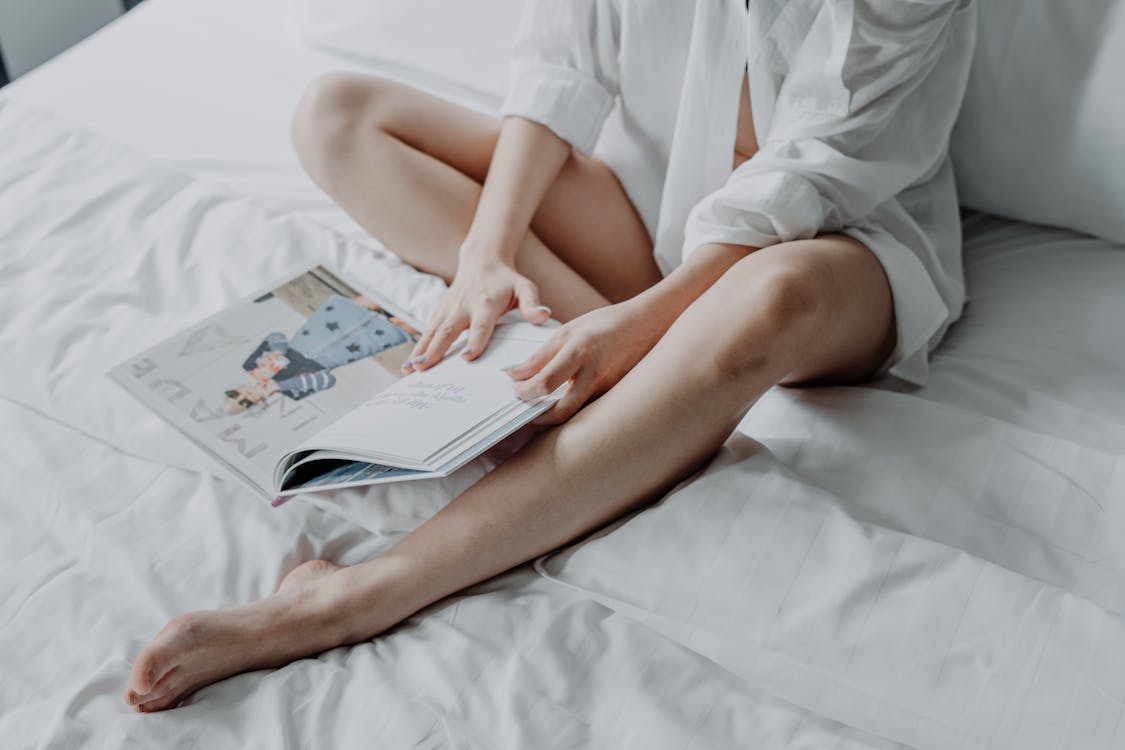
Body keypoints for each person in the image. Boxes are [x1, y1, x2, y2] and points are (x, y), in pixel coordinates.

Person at [125, 0, 976, 711]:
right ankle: (655, 410)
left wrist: (641, 323)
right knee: (339, 114)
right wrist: (485, 254)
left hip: (835, 246)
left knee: (770, 297)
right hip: (657, 206)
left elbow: (814, 172)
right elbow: (562, 64)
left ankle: (358, 595)